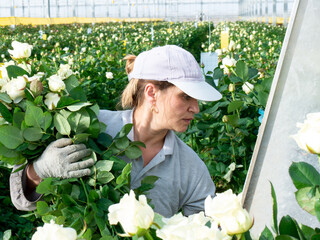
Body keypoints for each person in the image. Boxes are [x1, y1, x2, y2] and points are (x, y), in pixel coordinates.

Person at [10, 45, 222, 218]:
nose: (196, 107)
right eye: (185, 96)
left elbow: (204, 229)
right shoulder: (88, 127)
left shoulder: (191, 168)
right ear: (151, 93)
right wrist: (39, 171)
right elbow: (20, 201)